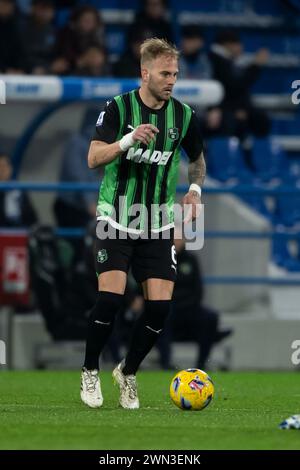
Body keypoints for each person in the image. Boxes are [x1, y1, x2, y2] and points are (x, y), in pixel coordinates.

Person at [80, 38, 206, 410]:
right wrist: (126, 141)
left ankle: (128, 372)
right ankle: (90, 370)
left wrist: (195, 190)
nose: (171, 80)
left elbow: (198, 159)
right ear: (145, 72)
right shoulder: (118, 108)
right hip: (115, 218)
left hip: (157, 222)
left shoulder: (183, 116)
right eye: (165, 73)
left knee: (159, 310)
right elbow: (92, 158)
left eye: (176, 74)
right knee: (110, 298)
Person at [168, 229, 233, 370]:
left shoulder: (191, 260)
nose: (176, 241)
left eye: (179, 238)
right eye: (173, 238)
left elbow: (198, 289)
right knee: (161, 316)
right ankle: (165, 363)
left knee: (210, 317)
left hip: (189, 308)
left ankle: (201, 364)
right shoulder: (162, 260)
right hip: (169, 309)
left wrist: (185, 302)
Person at [0, 152, 37, 227]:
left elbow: (32, 217)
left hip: (20, 231)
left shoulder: (19, 190)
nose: (2, 170)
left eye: (5, 166)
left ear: (11, 169)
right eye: (0, 167)